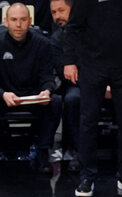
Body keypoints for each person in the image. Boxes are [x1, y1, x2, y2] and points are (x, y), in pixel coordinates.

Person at [64, 0, 122, 197]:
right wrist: (69, 61)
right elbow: (73, 27)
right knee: (88, 122)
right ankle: (87, 176)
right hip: (92, 65)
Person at [0, 3, 61, 175]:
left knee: (56, 102)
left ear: (30, 21)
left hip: (33, 96)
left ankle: (42, 152)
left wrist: (46, 91)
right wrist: (3, 94)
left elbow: (48, 77)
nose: (18, 25)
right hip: (5, 96)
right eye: (14, 20)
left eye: (23, 20)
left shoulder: (43, 44)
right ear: (5, 21)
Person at [48, 0, 79, 171]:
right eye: (54, 12)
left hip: (100, 79)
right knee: (72, 97)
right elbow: (63, 73)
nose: (58, 16)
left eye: (61, 10)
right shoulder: (56, 39)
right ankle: (73, 149)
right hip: (75, 84)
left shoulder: (88, 31)